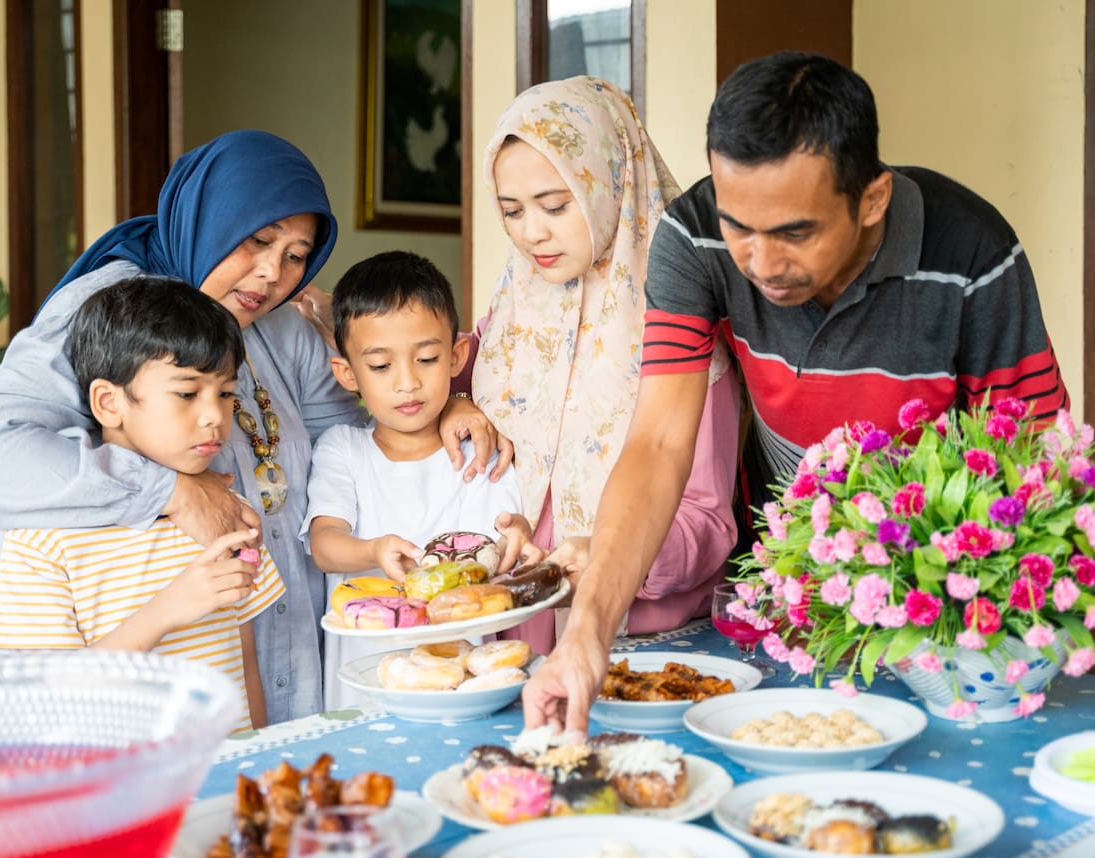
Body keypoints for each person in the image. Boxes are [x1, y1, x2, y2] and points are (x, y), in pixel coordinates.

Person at [523, 52, 1070, 734]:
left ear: (872, 199)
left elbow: (1034, 468)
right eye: (739, 226)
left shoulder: (972, 254)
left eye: (795, 233)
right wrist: (586, 637)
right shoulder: (694, 236)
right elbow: (659, 443)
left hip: (941, 602)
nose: (761, 264)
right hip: (783, 585)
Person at [0, 130, 503, 724]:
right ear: (208, 218)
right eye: (257, 240)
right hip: (154, 673)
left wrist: (451, 408)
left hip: (280, 651)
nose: (270, 275)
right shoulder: (111, 311)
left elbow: (370, 430)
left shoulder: (278, 324)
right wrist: (172, 490)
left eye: (295, 255)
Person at [465, 76, 742, 654]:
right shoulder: (505, 320)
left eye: (556, 205)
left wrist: (611, 554)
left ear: (611, 183)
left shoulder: (677, 329)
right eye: (512, 211)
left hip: (639, 644)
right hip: (507, 637)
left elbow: (708, 523)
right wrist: (454, 405)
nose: (531, 233)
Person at [0, 277, 283, 734]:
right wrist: (168, 608)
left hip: (226, 779)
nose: (213, 416)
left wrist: (260, 759)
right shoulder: (40, 535)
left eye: (225, 393)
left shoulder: (228, 512)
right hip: (115, 792)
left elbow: (245, 668)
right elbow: (41, 702)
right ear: (109, 403)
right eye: (187, 393)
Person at [302, 250, 542, 708]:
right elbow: (324, 546)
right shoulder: (343, 450)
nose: (407, 383)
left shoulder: (480, 451)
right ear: (347, 374)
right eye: (380, 366)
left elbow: (501, 537)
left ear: (456, 356)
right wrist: (373, 550)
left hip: (464, 685)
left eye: (427, 358)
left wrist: (517, 535)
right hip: (365, 680)